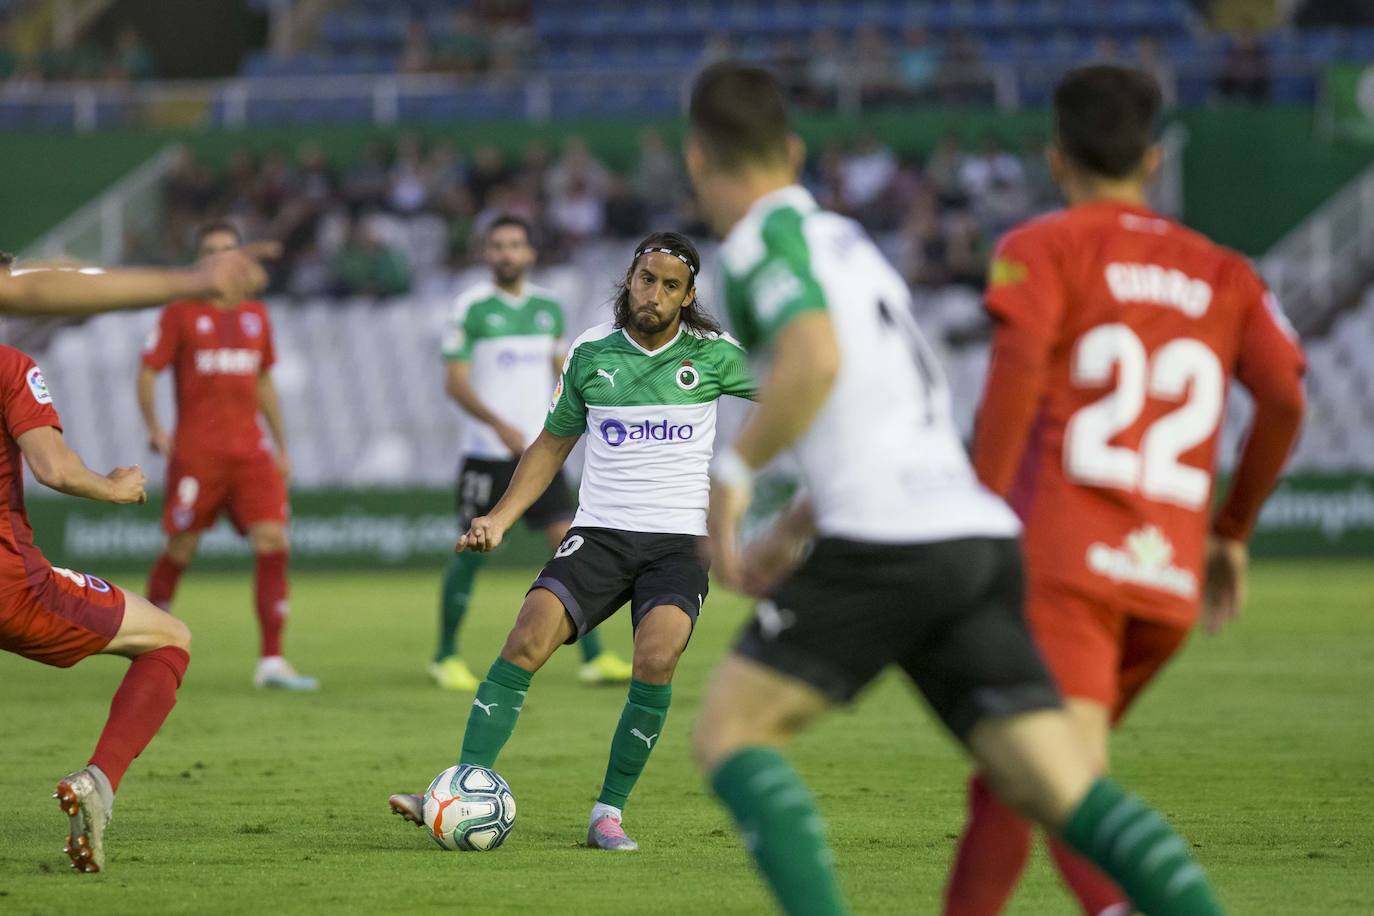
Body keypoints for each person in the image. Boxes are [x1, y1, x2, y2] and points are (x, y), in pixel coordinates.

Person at [683, 61, 1226, 915]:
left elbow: (815, 359)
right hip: (971, 536)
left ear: (695, 160)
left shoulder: (755, 245)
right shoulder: (849, 241)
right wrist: (795, 528)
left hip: (889, 545)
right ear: (792, 150)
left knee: (729, 733)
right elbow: (887, 401)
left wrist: (731, 475)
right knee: (1059, 787)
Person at [942, 63, 1305, 916]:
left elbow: (1015, 383)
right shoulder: (1226, 273)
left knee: (1051, 777)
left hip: (1068, 571)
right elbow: (1287, 396)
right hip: (1167, 582)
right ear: (1151, 159)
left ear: (1055, 158)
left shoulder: (1042, 246)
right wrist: (1233, 529)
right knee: (1025, 775)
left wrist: (976, 525)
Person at [390, 231, 756, 851]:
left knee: (657, 660)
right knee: (527, 636)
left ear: (689, 295)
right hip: (601, 534)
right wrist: (501, 519)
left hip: (678, 544)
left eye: (671, 286)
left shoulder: (716, 355)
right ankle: (455, 785)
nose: (655, 294)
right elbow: (551, 444)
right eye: (647, 279)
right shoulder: (590, 353)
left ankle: (606, 813)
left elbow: (797, 389)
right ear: (629, 280)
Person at [0, 242, 275, 874]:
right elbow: (54, 469)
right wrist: (114, 485)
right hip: (12, 584)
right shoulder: (11, 366)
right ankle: (99, 780)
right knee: (168, 636)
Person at [432, 214, 632, 690]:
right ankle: (445, 656)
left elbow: (562, 370)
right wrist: (497, 422)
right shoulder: (471, 308)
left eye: (515, 244)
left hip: (538, 456)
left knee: (570, 545)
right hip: (486, 453)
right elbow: (454, 382)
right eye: (498, 245)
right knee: (472, 549)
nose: (506, 252)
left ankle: (593, 656)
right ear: (487, 253)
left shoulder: (548, 308)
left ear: (530, 254)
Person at [138, 221, 317, 691]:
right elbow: (148, 370)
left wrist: (281, 447)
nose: (220, 259)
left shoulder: (257, 315)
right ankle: (146, 642)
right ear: (200, 263)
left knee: (274, 541)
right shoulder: (179, 313)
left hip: (251, 454)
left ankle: (272, 661)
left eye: (227, 251)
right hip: (197, 454)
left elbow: (263, 382)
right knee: (181, 547)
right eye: (210, 251)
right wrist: (155, 428)